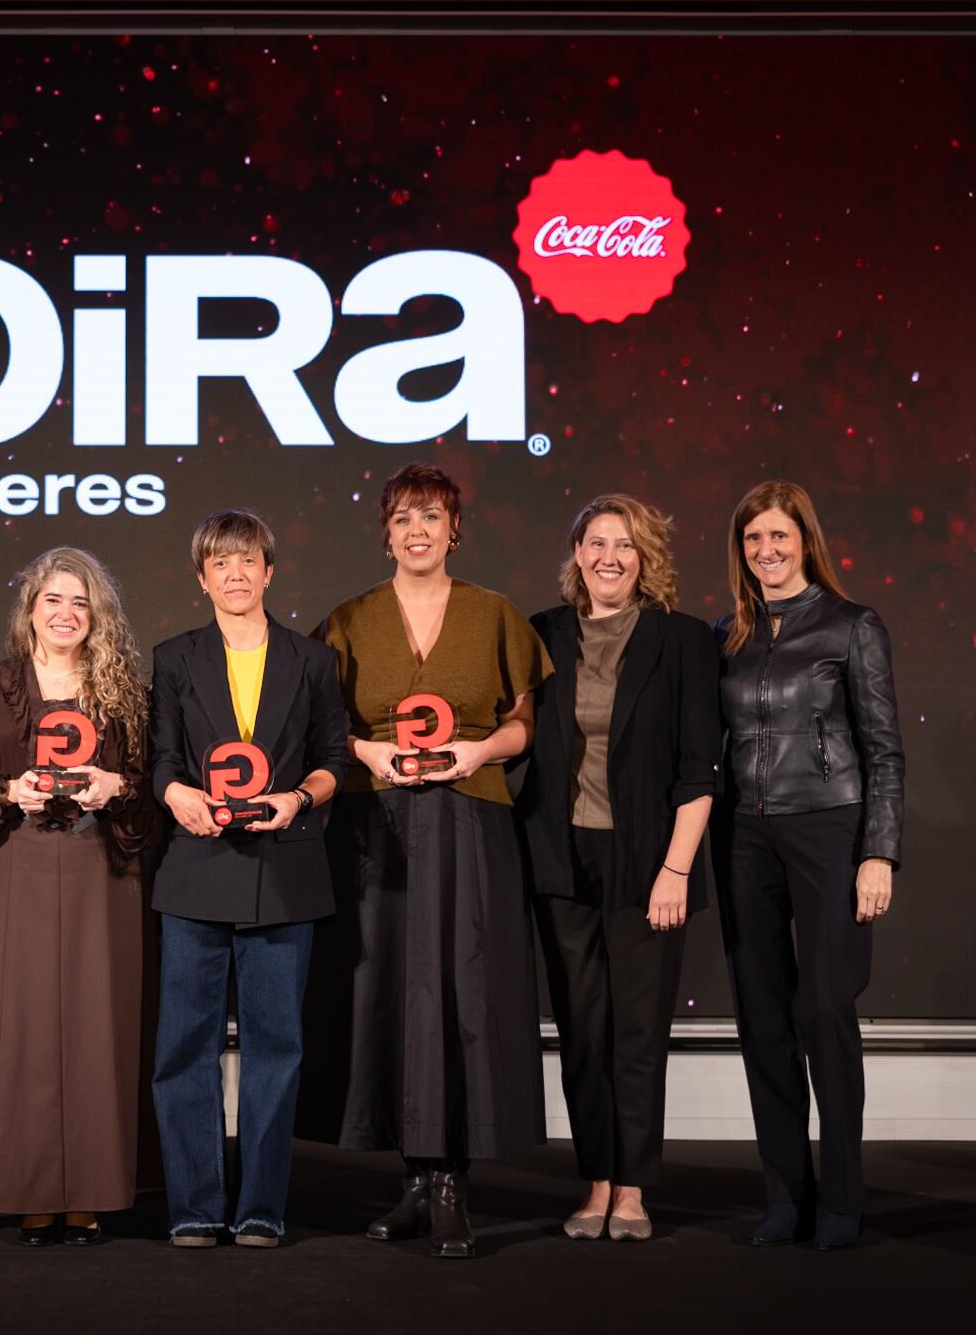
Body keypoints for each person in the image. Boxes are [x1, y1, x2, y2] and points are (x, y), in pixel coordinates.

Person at [300, 462, 553, 1259]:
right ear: (387, 532)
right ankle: (413, 1182)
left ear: (454, 529)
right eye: (404, 518)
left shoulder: (495, 615)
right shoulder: (347, 621)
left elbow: (522, 726)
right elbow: (317, 730)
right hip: (378, 830)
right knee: (391, 994)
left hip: (471, 825)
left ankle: (453, 1184)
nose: (418, 531)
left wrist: (480, 747)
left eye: (432, 517)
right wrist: (365, 750)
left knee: (462, 991)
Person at [516, 495, 721, 1242]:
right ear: (576, 554)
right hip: (561, 857)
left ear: (646, 559)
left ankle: (632, 1188)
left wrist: (676, 870)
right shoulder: (542, 635)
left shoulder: (683, 640)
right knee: (580, 1028)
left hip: (649, 863)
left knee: (637, 1031)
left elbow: (700, 769)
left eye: (626, 545)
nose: (609, 556)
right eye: (596, 542)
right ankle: (595, 1181)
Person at [0, 547, 157, 1247]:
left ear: (97, 618)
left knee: (98, 1029)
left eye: (81, 603)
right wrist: (9, 790)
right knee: (24, 1029)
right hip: (19, 868)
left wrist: (113, 787)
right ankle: (29, 1193)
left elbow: (149, 794)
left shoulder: (123, 690)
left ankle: (90, 1193)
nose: (66, 614)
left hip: (102, 871)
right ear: (30, 610)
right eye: (54, 600)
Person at [148, 510, 349, 1248]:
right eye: (221, 563)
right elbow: (161, 758)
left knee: (277, 1047)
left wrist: (299, 797)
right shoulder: (174, 658)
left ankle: (261, 1205)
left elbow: (336, 757)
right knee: (182, 1050)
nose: (236, 574)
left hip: (284, 872)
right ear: (203, 579)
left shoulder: (312, 660)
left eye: (248, 561)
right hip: (195, 870)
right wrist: (177, 797)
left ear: (269, 572)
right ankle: (196, 1206)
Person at [713, 480, 904, 1251]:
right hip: (745, 839)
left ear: (805, 541)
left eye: (780, 537)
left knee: (824, 1012)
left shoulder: (853, 626)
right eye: (754, 539)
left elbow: (886, 751)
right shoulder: (728, 633)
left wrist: (879, 853)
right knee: (763, 1020)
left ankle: (842, 1204)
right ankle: (787, 1197)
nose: (767, 550)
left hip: (830, 830)